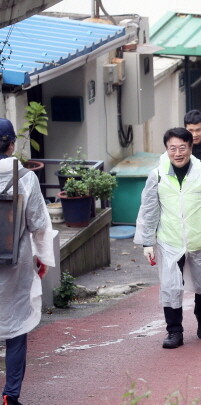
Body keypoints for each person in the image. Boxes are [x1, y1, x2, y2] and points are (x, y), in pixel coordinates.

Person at [135, 128, 201, 349]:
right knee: (170, 286)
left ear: (191, 148)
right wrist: (147, 242)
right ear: (166, 149)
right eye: (172, 148)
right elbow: (149, 210)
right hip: (169, 240)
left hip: (200, 240)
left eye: (182, 148)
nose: (177, 153)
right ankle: (174, 331)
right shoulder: (157, 175)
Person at [0, 118, 54, 405]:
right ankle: (10, 395)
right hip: (14, 263)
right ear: (11, 144)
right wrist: (43, 258)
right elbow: (38, 224)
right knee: (16, 329)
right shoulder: (25, 177)